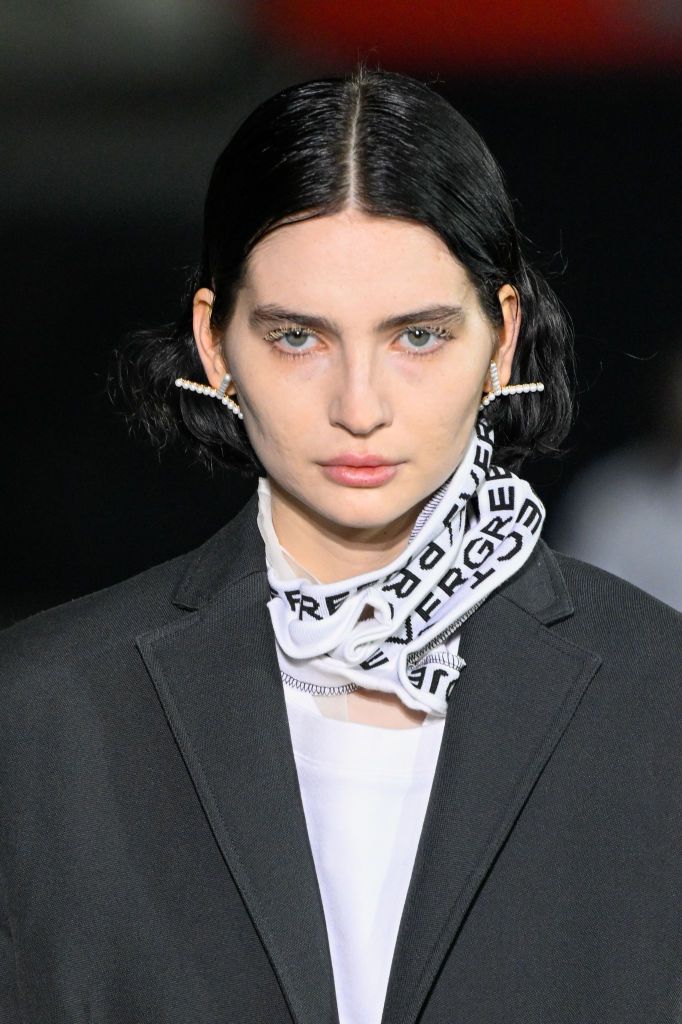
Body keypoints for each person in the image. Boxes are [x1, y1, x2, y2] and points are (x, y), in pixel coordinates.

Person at [1, 67, 680, 1024]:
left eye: (417, 337)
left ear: (501, 339)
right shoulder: (46, 715)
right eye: (297, 338)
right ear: (214, 345)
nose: (359, 406)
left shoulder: (657, 703)